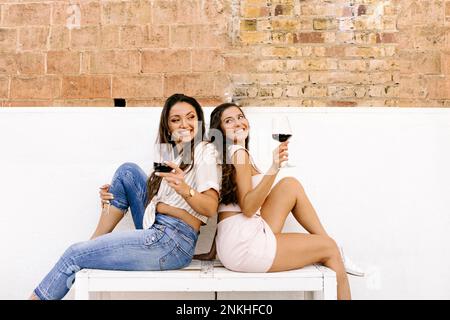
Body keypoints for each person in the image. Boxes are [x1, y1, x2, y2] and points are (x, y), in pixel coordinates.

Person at [30, 94, 220, 300]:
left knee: (72, 255)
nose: (185, 124)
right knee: (127, 172)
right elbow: (153, 204)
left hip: (171, 241)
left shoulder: (205, 150)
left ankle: (86, 252)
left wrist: (182, 190)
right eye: (176, 119)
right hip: (157, 227)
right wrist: (111, 197)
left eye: (191, 117)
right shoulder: (172, 155)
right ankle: (93, 246)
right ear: (167, 126)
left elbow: (209, 208)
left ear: (199, 121)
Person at [197, 103, 360, 300]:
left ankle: (333, 246)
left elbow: (227, 209)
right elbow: (248, 208)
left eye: (240, 117)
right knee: (329, 249)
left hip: (233, 242)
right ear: (220, 130)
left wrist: (214, 250)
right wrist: (274, 167)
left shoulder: (228, 157)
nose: (238, 122)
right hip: (246, 245)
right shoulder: (239, 153)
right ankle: (335, 249)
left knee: (290, 185)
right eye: (229, 121)